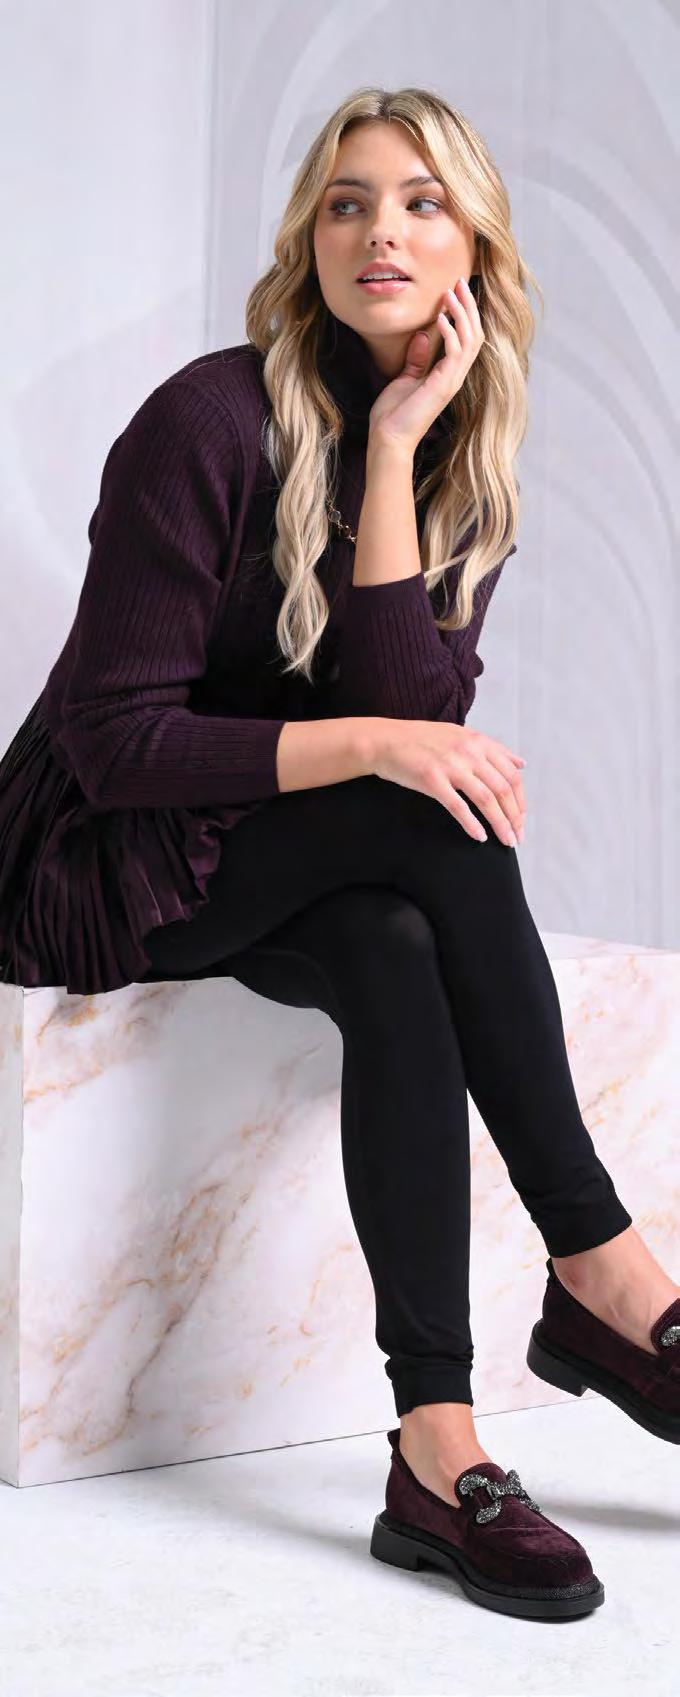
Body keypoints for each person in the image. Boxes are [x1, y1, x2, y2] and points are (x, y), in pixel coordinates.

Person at [0, 85, 678, 1620]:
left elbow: (405, 714)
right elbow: (115, 745)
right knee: (422, 806)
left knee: (396, 939)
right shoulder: (204, 421)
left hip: (279, 860)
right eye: (348, 201)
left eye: (424, 204)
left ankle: (435, 1442)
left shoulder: (455, 455)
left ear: (473, 253)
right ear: (309, 239)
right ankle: (604, 1269)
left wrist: (388, 455)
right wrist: (376, 747)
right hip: (97, 862)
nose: (383, 231)